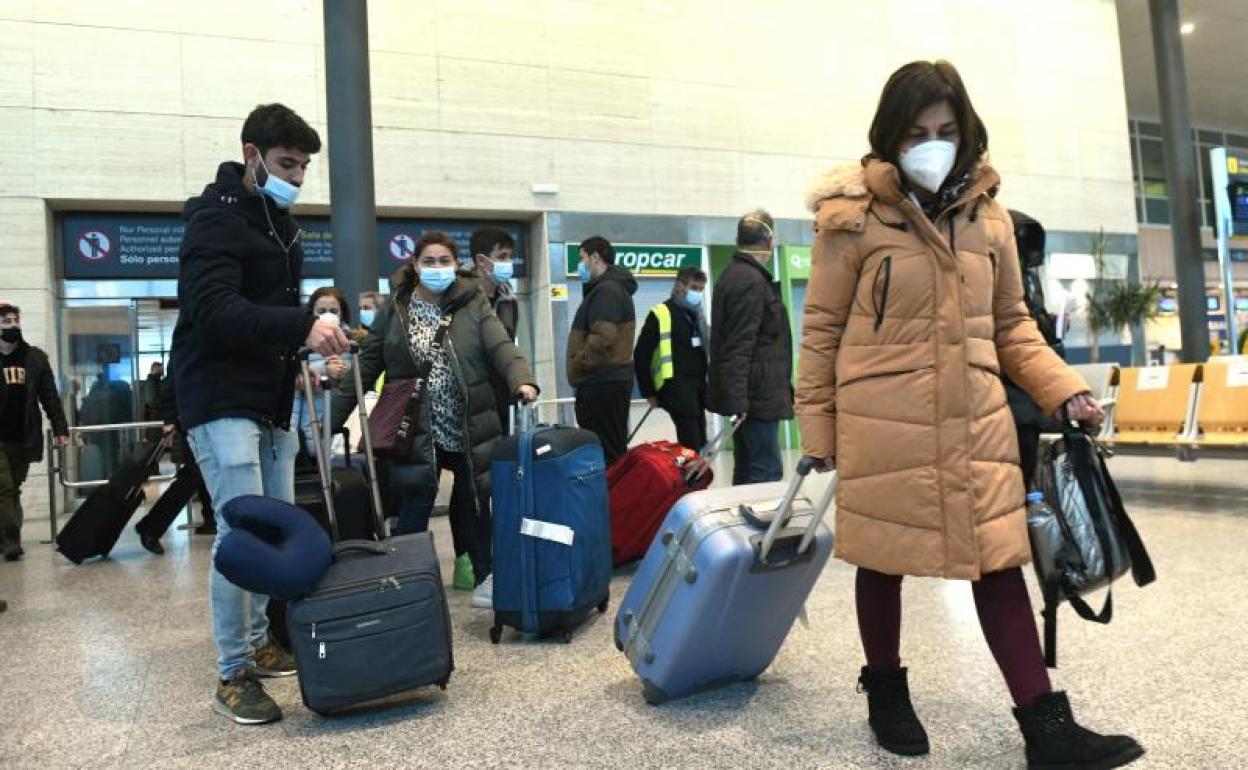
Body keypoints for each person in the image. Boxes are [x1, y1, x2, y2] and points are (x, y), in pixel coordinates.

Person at [797, 60, 1141, 769]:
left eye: (946, 130)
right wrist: (820, 432)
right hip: (882, 420)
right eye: (917, 131)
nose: (933, 143)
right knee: (882, 561)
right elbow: (822, 332)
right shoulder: (851, 220)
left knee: (998, 562)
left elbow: (1012, 324)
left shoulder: (989, 218)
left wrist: (1061, 389)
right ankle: (886, 691)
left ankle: (1045, 727)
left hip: (975, 416)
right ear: (890, 136)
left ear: (967, 131)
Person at [170, 103, 348, 725]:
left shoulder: (279, 224)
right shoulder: (214, 223)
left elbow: (271, 321)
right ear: (252, 154)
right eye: (285, 164)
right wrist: (303, 324)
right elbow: (214, 310)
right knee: (240, 533)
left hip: (270, 399)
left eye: (303, 167)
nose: (296, 177)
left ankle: (256, 642)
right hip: (218, 397)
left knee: (271, 532)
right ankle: (233, 671)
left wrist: (310, 347)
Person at [332, 231, 537, 612]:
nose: (437, 268)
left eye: (445, 261)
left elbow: (501, 346)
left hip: (467, 423)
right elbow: (369, 362)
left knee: (476, 503)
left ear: (456, 265)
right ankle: (404, 582)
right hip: (415, 428)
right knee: (414, 502)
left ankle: (486, 577)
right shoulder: (396, 306)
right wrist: (331, 418)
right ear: (414, 265)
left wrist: (521, 379)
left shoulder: (473, 302)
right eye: (430, 261)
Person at [446, 227, 521, 592]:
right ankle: (468, 558)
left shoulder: (508, 299)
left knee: (493, 481)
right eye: (502, 256)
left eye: (510, 256)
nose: (508, 264)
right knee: (467, 481)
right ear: (481, 261)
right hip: (466, 404)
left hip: (499, 403)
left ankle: (491, 556)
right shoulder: (460, 299)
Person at [707, 210, 793, 484]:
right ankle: (761, 526)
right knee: (763, 472)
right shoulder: (750, 280)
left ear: (737, 239)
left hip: (751, 395)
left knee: (747, 469)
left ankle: (743, 524)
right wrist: (739, 400)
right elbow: (739, 345)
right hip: (756, 398)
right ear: (768, 240)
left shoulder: (736, 275)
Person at [0, 301, 70, 561]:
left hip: (23, 436)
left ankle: (6, 535)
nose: (13, 326)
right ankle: (11, 539)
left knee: (13, 487)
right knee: (4, 487)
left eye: (16, 321)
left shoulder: (35, 358)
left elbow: (49, 397)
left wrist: (60, 428)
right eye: (6, 321)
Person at [1002, 210, 1064, 491]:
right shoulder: (1003, 271)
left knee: (1022, 480)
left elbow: (1023, 324)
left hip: (1025, 396)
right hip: (1009, 395)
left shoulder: (1027, 277)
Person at [568, 236, 637, 466]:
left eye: (582, 258)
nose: (580, 265)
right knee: (611, 450)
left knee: (606, 455)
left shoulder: (606, 291)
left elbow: (602, 337)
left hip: (601, 384)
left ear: (595, 257)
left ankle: (613, 501)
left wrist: (580, 364)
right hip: (608, 383)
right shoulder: (610, 288)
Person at [134, 366, 216, 555]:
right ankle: (151, 527)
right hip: (198, 418)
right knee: (193, 475)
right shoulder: (191, 338)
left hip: (207, 415)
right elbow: (174, 378)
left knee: (201, 472)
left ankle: (211, 520)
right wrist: (169, 418)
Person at [633, 267, 710, 451]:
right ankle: (687, 478)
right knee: (691, 442)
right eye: (693, 287)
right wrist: (649, 392)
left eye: (700, 289)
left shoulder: (696, 315)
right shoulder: (660, 313)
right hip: (675, 388)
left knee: (699, 441)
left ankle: (693, 476)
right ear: (679, 286)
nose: (697, 293)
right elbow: (641, 354)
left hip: (697, 390)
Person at [292, 287, 356, 457]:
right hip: (303, 418)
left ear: (342, 313)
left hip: (336, 418)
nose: (328, 315)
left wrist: (343, 372)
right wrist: (325, 370)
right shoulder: (298, 342)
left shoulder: (351, 343)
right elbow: (294, 375)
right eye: (321, 311)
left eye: (333, 311)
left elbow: (357, 378)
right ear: (311, 312)